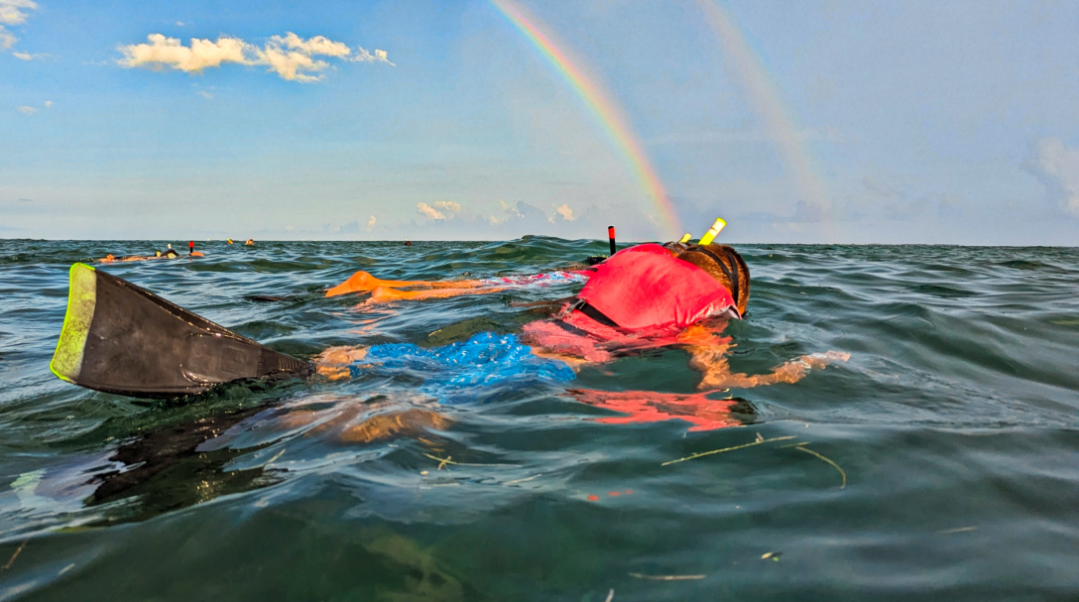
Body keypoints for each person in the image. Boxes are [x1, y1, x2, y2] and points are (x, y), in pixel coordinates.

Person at [316, 240, 848, 409]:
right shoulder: (701, 319)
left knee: (420, 366)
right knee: (429, 407)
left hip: (516, 339)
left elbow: (544, 309)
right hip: (549, 368)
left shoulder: (615, 278)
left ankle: (338, 362)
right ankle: (334, 415)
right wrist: (797, 369)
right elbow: (716, 385)